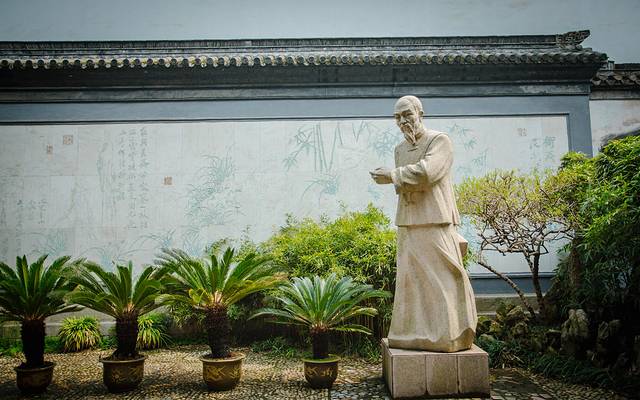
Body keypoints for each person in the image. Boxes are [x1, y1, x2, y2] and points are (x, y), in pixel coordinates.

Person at [370, 95, 477, 352]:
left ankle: (451, 332)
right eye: (397, 117)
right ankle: (413, 332)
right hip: (408, 220)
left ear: (420, 113)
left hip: (435, 218)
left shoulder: (439, 141)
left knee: (443, 276)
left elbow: (429, 172)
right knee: (412, 280)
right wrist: (396, 178)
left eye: (407, 114)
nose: (402, 121)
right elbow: (408, 183)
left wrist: (392, 175)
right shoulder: (399, 149)